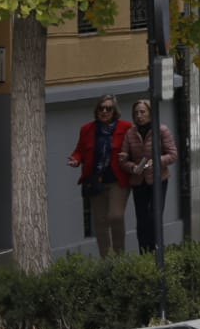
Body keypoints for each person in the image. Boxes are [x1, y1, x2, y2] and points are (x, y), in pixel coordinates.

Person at [67, 95, 133, 257]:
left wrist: (129, 158)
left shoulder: (126, 127)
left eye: (108, 108)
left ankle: (120, 256)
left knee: (116, 216)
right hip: (95, 180)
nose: (104, 112)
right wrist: (76, 159)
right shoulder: (87, 129)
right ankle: (106, 259)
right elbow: (80, 150)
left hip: (118, 180)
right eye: (101, 108)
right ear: (96, 111)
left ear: (114, 111)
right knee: (100, 222)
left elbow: (134, 147)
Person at [120, 98, 179, 254]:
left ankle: (157, 252)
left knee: (154, 216)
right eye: (136, 113)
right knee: (142, 220)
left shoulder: (161, 130)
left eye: (143, 112)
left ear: (150, 113)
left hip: (158, 179)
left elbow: (173, 155)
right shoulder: (130, 133)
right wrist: (133, 168)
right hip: (139, 181)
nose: (139, 116)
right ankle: (144, 253)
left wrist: (157, 161)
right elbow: (124, 160)